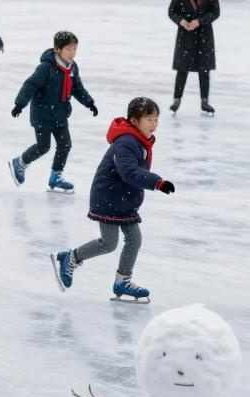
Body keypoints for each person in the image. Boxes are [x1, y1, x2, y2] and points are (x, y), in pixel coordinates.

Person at [51, 97, 174, 302]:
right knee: (109, 243)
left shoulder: (140, 140)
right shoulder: (126, 142)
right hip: (108, 197)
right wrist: (157, 183)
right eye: (150, 119)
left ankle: (122, 281)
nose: (154, 124)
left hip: (124, 199)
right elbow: (129, 172)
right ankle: (70, 258)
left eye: (156, 119)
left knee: (134, 239)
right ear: (135, 121)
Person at [8, 30, 98, 193]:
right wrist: (19, 104)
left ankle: (55, 176)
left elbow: (77, 88)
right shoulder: (46, 68)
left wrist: (89, 102)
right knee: (43, 147)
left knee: (65, 145)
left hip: (60, 114)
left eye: (74, 49)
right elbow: (30, 85)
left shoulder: (72, 68)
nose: (72, 53)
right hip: (42, 114)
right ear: (57, 49)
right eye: (69, 49)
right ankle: (20, 163)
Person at [168, 0, 220, 116]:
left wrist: (200, 21)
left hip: (203, 34)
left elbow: (215, 12)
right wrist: (182, 21)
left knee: (204, 69)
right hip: (186, 34)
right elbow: (172, 11)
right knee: (182, 68)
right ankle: (177, 99)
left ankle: (204, 101)